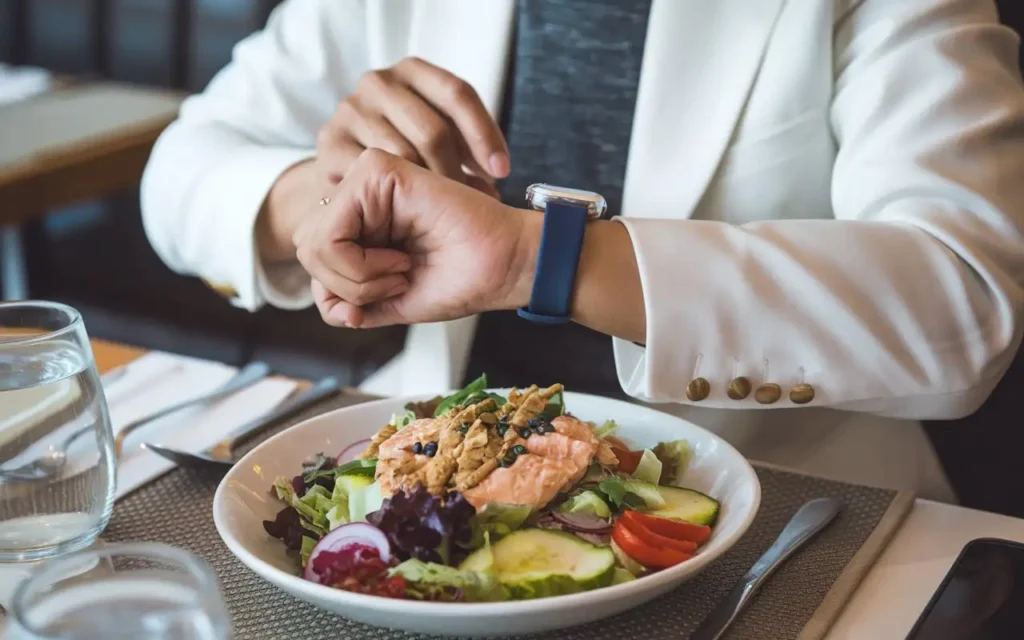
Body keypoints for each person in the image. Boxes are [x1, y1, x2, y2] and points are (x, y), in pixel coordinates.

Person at [141, 0, 1024, 502]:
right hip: (435, 503)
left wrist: (539, 261)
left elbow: (964, 299)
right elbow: (178, 170)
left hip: (790, 517)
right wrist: (326, 192)